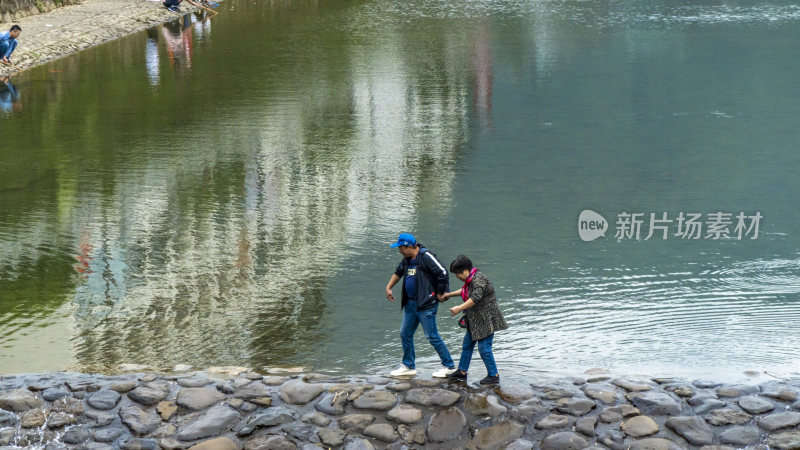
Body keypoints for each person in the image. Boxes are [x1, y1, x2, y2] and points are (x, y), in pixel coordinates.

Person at [385, 233, 456, 378]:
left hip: (426, 304)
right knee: (405, 334)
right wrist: (389, 287)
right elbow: (398, 272)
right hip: (410, 304)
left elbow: (442, 272)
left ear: (410, 246)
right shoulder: (406, 259)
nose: (399, 251)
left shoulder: (425, 256)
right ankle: (408, 366)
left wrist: (440, 293)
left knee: (432, 336)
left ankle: (449, 366)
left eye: (401, 248)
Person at [440, 255, 508, 384]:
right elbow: (465, 291)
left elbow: (475, 297)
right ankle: (462, 372)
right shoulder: (471, 280)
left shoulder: (479, 278)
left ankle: (494, 376)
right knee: (467, 345)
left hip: (486, 319)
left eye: (457, 274)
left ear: (465, 271)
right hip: (475, 319)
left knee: (484, 348)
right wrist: (449, 294)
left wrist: (459, 308)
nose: (457, 277)